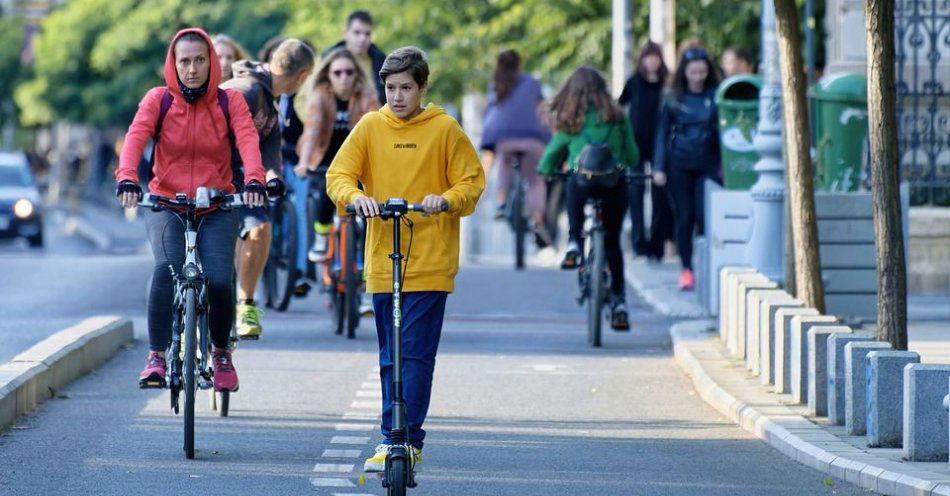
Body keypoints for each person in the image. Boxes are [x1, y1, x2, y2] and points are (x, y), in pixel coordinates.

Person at [326, 46, 485, 472]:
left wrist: (446, 200)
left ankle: (405, 439)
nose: (397, 96)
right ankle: (391, 437)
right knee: (389, 353)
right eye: (390, 88)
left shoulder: (445, 129)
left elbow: (471, 182)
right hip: (383, 258)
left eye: (405, 88)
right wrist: (356, 198)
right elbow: (338, 176)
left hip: (431, 260)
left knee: (414, 354)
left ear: (422, 87)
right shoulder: (370, 127)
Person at [114, 28, 267, 392]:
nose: (193, 68)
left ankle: (220, 354)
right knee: (166, 271)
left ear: (211, 62)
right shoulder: (158, 100)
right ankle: (156, 356)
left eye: (200, 60)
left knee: (217, 278)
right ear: (174, 63)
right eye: (185, 61)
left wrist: (256, 181)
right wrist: (127, 179)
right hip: (166, 203)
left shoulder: (230, 102)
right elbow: (135, 138)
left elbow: (247, 140)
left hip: (217, 205)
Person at [222, 39, 314, 339]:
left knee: (260, 228)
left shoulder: (268, 104)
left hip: (244, 179)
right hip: (214, 175)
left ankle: (245, 302)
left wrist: (273, 177)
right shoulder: (245, 90)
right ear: (302, 77)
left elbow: (270, 148)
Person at [538, 66, 639, 331]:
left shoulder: (571, 120)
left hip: (583, 186)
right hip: (614, 185)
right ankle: (619, 302)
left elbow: (550, 156)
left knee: (572, 181)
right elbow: (633, 155)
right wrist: (623, 163)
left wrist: (548, 172)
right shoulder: (618, 116)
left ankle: (573, 242)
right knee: (613, 244)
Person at [296, 47, 380, 314]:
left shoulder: (366, 96)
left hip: (358, 165)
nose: (344, 78)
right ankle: (322, 238)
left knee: (370, 213)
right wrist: (303, 163)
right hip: (324, 161)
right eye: (337, 73)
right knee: (323, 194)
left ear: (357, 75)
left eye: (349, 72)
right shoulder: (321, 96)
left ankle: (368, 277)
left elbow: (378, 129)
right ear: (328, 76)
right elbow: (312, 130)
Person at [653, 47, 722, 291]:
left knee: (705, 215)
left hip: (708, 164)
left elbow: (723, 131)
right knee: (685, 216)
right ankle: (686, 269)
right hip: (678, 163)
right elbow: (661, 133)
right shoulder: (673, 96)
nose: (698, 77)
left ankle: (706, 266)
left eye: (702, 72)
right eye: (693, 72)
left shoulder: (717, 95)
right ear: (685, 72)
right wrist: (658, 167)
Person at [479, 49, 552, 248]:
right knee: (536, 181)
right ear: (519, 64)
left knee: (504, 162)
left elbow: (489, 113)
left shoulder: (496, 84)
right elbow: (542, 109)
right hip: (533, 139)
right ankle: (537, 221)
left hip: (505, 139)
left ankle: (501, 203)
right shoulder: (533, 83)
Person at [619, 41, 673, 261]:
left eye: (655, 56)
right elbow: (620, 105)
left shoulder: (667, 85)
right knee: (636, 191)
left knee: (661, 193)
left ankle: (657, 244)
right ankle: (639, 242)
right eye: (647, 57)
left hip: (661, 143)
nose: (651, 61)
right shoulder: (634, 82)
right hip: (636, 144)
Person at [323, 10, 387, 105]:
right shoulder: (328, 59)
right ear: (345, 33)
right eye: (357, 33)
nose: (362, 39)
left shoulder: (382, 62)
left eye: (367, 34)